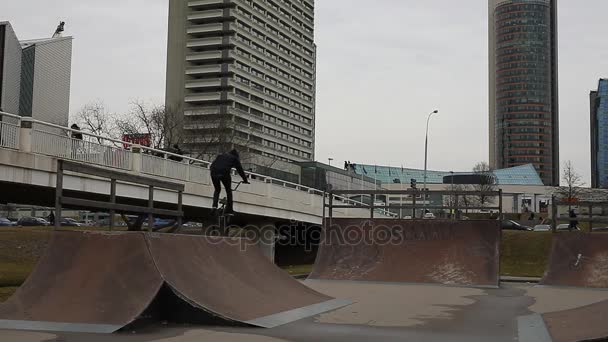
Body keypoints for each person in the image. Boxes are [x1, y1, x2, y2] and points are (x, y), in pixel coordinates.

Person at [210, 149, 249, 215]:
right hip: (224, 173)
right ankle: (229, 209)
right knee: (228, 191)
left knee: (217, 189)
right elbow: (240, 170)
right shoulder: (234, 158)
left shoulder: (221, 155)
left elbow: (213, 164)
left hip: (213, 172)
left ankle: (214, 206)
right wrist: (245, 180)